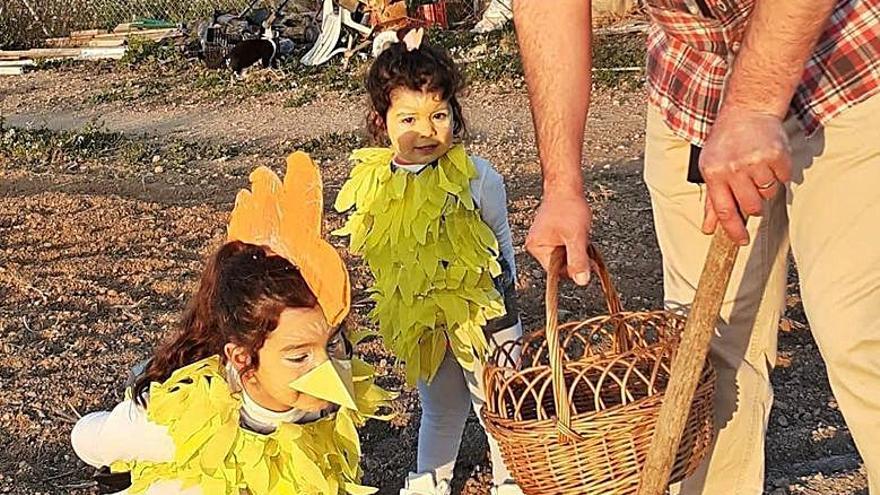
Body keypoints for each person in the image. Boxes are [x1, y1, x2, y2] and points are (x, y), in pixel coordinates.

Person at [514, 1, 880, 493]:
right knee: (707, 354)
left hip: (845, 56)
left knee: (861, 334)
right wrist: (562, 184)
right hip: (696, 76)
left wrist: (752, 105)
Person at [70, 153, 393, 495]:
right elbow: (87, 438)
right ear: (242, 358)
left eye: (333, 343)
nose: (328, 369)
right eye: (299, 357)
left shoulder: (317, 400)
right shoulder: (173, 427)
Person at [334, 28, 523, 495]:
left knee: (498, 402)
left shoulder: (479, 177)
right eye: (408, 118)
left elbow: (501, 239)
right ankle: (428, 483)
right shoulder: (373, 184)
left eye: (438, 115)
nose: (426, 130)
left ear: (455, 116)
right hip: (423, 321)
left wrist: (509, 300)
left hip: (486, 316)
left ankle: (512, 480)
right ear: (381, 122)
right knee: (440, 408)